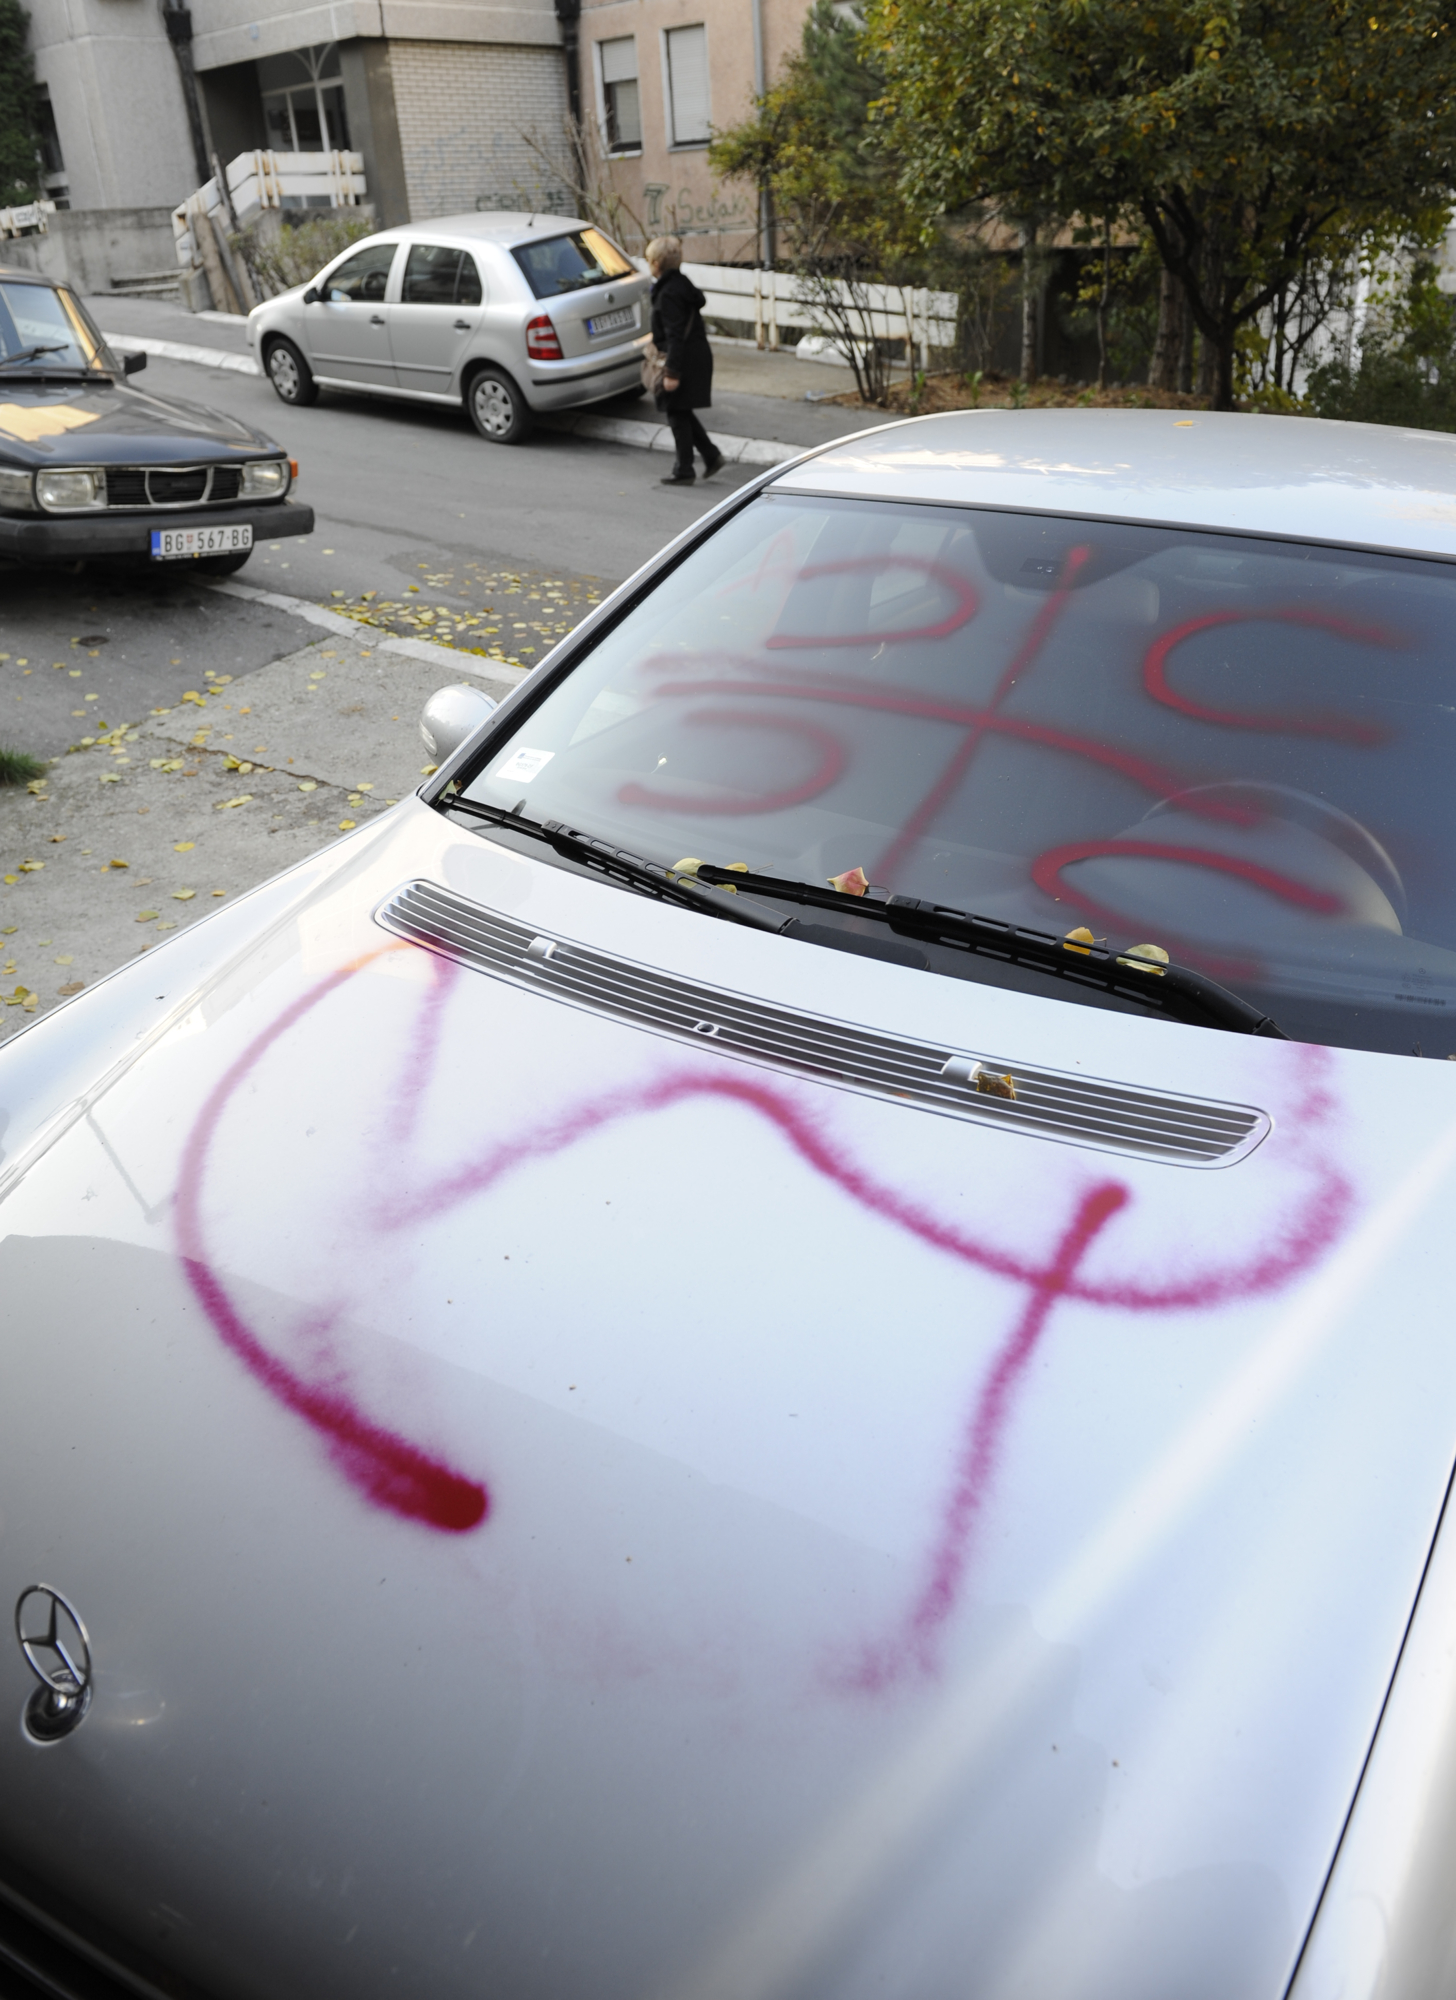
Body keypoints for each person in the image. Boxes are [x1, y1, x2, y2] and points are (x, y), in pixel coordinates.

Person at [646, 235, 724, 487]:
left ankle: (684, 469)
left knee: (676, 413)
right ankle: (710, 456)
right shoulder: (681, 284)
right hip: (695, 356)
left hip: (683, 359)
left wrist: (672, 373)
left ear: (657, 263)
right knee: (681, 410)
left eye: (649, 260)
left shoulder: (668, 293)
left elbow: (675, 335)